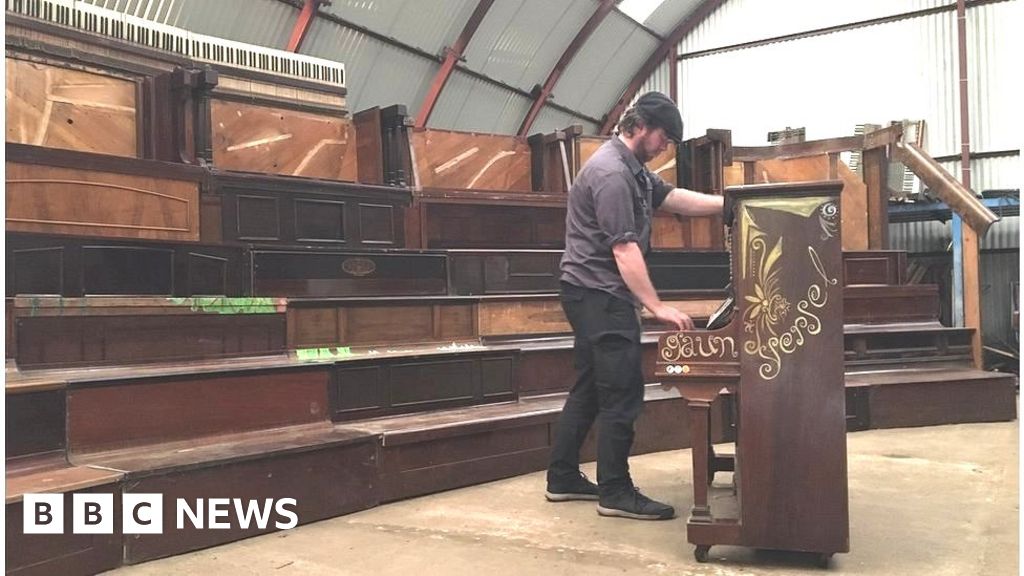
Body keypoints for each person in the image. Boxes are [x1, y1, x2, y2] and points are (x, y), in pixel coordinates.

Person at [545, 92, 724, 520]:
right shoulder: (611, 174)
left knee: (590, 386)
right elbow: (625, 250)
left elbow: (674, 198)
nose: (666, 146)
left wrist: (729, 204)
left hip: (589, 291)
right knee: (622, 392)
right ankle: (615, 492)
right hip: (600, 295)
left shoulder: (634, 169)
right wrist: (656, 306)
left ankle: (562, 477)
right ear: (640, 126)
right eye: (664, 137)